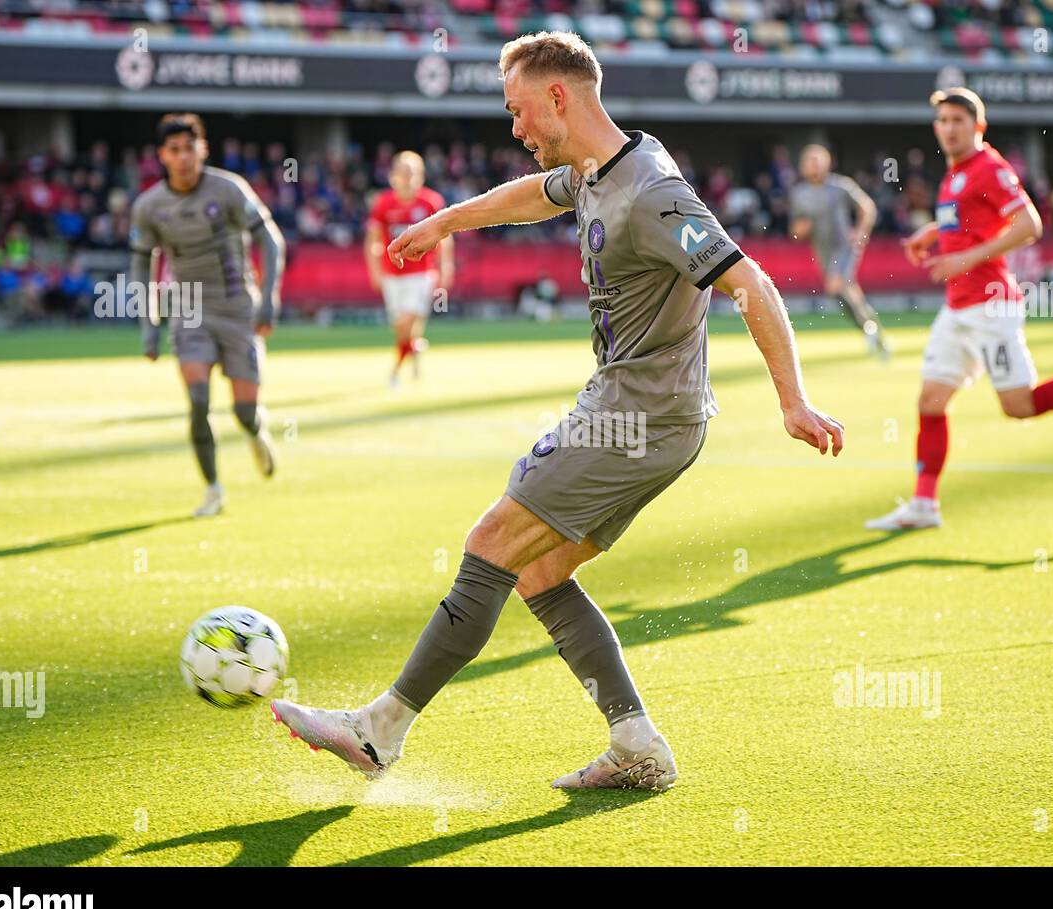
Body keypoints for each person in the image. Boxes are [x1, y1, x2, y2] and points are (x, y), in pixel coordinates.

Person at [270, 31, 844, 791]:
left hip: (636, 417)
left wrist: (792, 399)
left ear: (557, 98)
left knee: (492, 539)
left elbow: (752, 284)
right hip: (646, 414)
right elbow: (527, 197)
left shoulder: (650, 190)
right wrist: (445, 222)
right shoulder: (598, 168)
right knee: (539, 569)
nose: (514, 129)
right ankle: (637, 742)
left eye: (517, 111)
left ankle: (380, 730)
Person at [865, 88, 1053, 532]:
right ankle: (925, 504)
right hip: (957, 309)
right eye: (943, 121)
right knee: (930, 402)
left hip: (991, 306)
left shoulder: (989, 167)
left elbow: (1030, 224)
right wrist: (932, 233)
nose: (949, 128)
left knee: (1019, 406)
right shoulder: (954, 175)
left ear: (978, 127)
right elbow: (967, 223)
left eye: (958, 121)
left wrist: (966, 259)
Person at [129, 113, 286, 517]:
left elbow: (270, 240)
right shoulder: (149, 206)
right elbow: (143, 266)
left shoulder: (229, 189)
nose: (183, 158)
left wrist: (267, 299)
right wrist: (149, 326)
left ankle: (255, 430)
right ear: (163, 155)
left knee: (243, 411)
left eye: (190, 148)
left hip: (237, 308)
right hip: (190, 310)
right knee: (198, 400)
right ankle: (214, 490)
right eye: (174, 150)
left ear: (204, 149)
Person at [789, 145, 888, 358]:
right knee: (844, 293)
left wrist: (861, 232)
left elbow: (867, 207)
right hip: (822, 251)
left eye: (817, 160)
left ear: (827, 163)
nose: (813, 165)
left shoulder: (841, 186)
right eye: (809, 161)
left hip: (845, 247)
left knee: (837, 284)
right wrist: (801, 230)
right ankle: (872, 331)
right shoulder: (799, 194)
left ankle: (870, 331)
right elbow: (795, 231)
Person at [364, 151, 454, 386]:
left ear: (421, 175)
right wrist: (374, 270)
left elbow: (445, 238)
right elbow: (371, 239)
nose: (407, 178)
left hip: (422, 273)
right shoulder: (383, 203)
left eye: (411, 172)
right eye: (402, 172)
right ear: (393, 175)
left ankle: (394, 373)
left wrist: (445, 267)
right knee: (401, 328)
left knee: (406, 322)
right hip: (392, 274)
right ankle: (414, 348)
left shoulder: (431, 202)